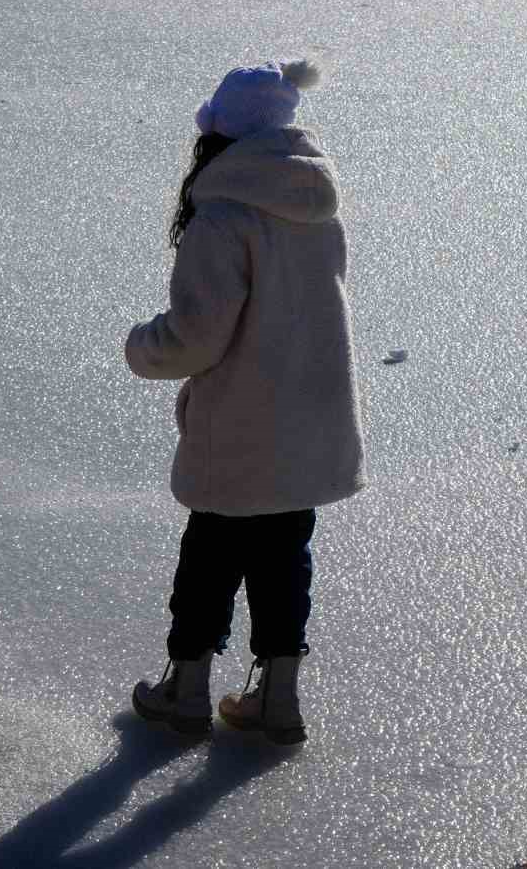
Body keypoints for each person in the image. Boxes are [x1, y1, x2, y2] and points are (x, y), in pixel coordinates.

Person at [125, 58, 366, 745]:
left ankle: (186, 688)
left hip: (241, 421)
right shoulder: (317, 210)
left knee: (211, 554)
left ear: (219, 136)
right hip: (310, 414)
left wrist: (143, 347)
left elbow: (197, 337)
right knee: (284, 555)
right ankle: (277, 698)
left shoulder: (223, 218)